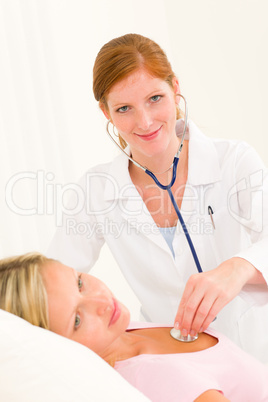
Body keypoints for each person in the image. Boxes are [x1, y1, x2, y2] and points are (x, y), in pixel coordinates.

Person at [47, 33, 268, 362]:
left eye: (154, 98)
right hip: (169, 366)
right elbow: (52, 284)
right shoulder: (95, 191)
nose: (145, 122)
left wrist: (237, 269)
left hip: (253, 350)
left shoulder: (233, 161)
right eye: (124, 108)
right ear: (106, 113)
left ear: (175, 88)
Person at [0, 253, 268, 402]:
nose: (100, 302)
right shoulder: (152, 374)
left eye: (79, 283)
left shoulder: (125, 332)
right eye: (77, 320)